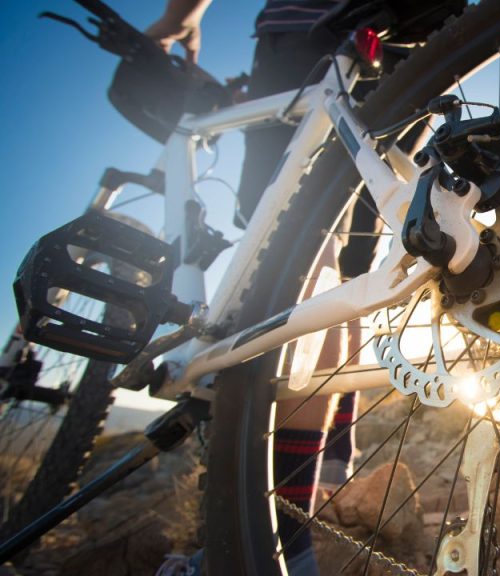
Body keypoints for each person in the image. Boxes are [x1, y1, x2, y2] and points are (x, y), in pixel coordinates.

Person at [146, 1, 377, 574]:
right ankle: (306, 494)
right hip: (414, 35)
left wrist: (182, 15)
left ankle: (273, 545)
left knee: (295, 236)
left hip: (310, 24)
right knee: (346, 263)